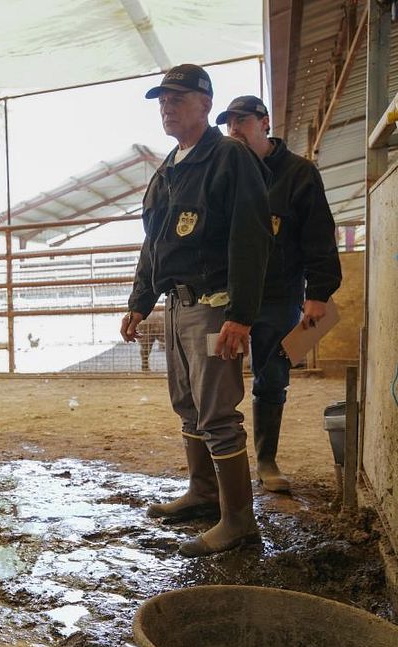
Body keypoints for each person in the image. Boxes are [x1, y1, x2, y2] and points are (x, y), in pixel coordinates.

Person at [120, 64, 272, 557]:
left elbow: (250, 238)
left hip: (216, 306)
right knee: (188, 405)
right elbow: (154, 245)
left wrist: (242, 314)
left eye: (178, 98)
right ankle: (204, 492)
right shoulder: (170, 167)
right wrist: (140, 302)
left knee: (218, 413)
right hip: (178, 304)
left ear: (206, 104)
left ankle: (239, 522)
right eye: (163, 100)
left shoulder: (228, 157)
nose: (167, 106)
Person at [218, 95, 342, 493]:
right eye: (229, 123)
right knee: (216, 380)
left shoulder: (297, 173)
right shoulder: (225, 170)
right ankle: (218, 466)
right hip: (227, 296)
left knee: (271, 377)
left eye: (242, 121)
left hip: (276, 294)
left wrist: (318, 292)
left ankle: (266, 461)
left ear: (264, 122)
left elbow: (319, 234)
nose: (234, 129)